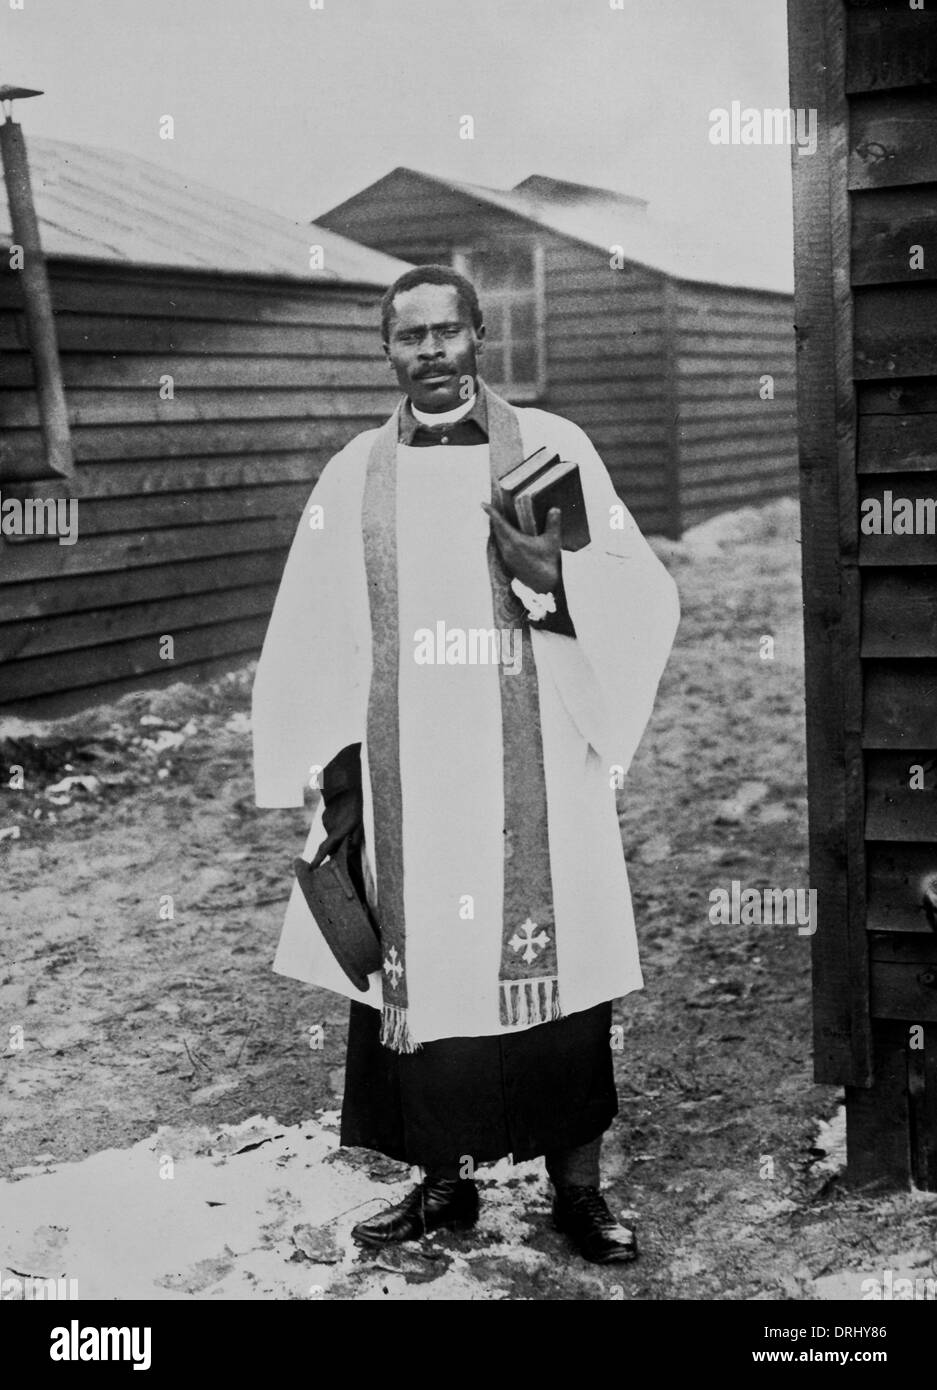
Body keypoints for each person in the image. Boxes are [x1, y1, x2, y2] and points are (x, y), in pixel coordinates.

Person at [252, 264, 679, 1264]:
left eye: (450, 332)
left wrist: (553, 576)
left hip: (535, 767)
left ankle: (578, 1192)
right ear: (387, 351)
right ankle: (441, 1183)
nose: (433, 352)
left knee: (559, 975)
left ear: (482, 337)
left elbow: (637, 591)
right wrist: (325, 767)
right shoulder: (356, 471)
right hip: (409, 774)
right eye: (412, 337)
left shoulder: (547, 453)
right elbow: (313, 622)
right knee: (422, 977)